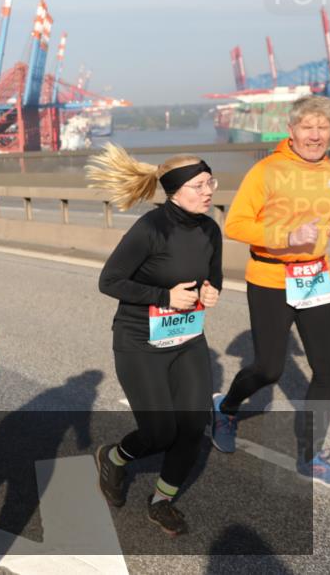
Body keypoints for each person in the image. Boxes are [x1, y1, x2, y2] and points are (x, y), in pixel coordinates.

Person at [87, 145, 222, 536]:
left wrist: (211, 292)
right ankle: (114, 457)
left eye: (210, 182)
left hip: (187, 339)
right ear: (176, 191)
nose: (208, 191)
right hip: (140, 342)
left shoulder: (210, 228)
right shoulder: (150, 228)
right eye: (198, 185)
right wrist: (164, 297)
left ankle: (161, 501)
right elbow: (108, 281)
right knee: (160, 432)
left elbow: (212, 277)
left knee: (194, 426)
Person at [212, 96, 330, 487]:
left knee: (329, 371)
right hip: (270, 279)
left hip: (315, 279)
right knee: (269, 369)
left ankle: (309, 454)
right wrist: (286, 235)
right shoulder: (267, 170)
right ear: (292, 132)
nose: (316, 136)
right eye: (308, 128)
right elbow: (236, 225)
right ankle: (227, 408)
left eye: (323, 127)